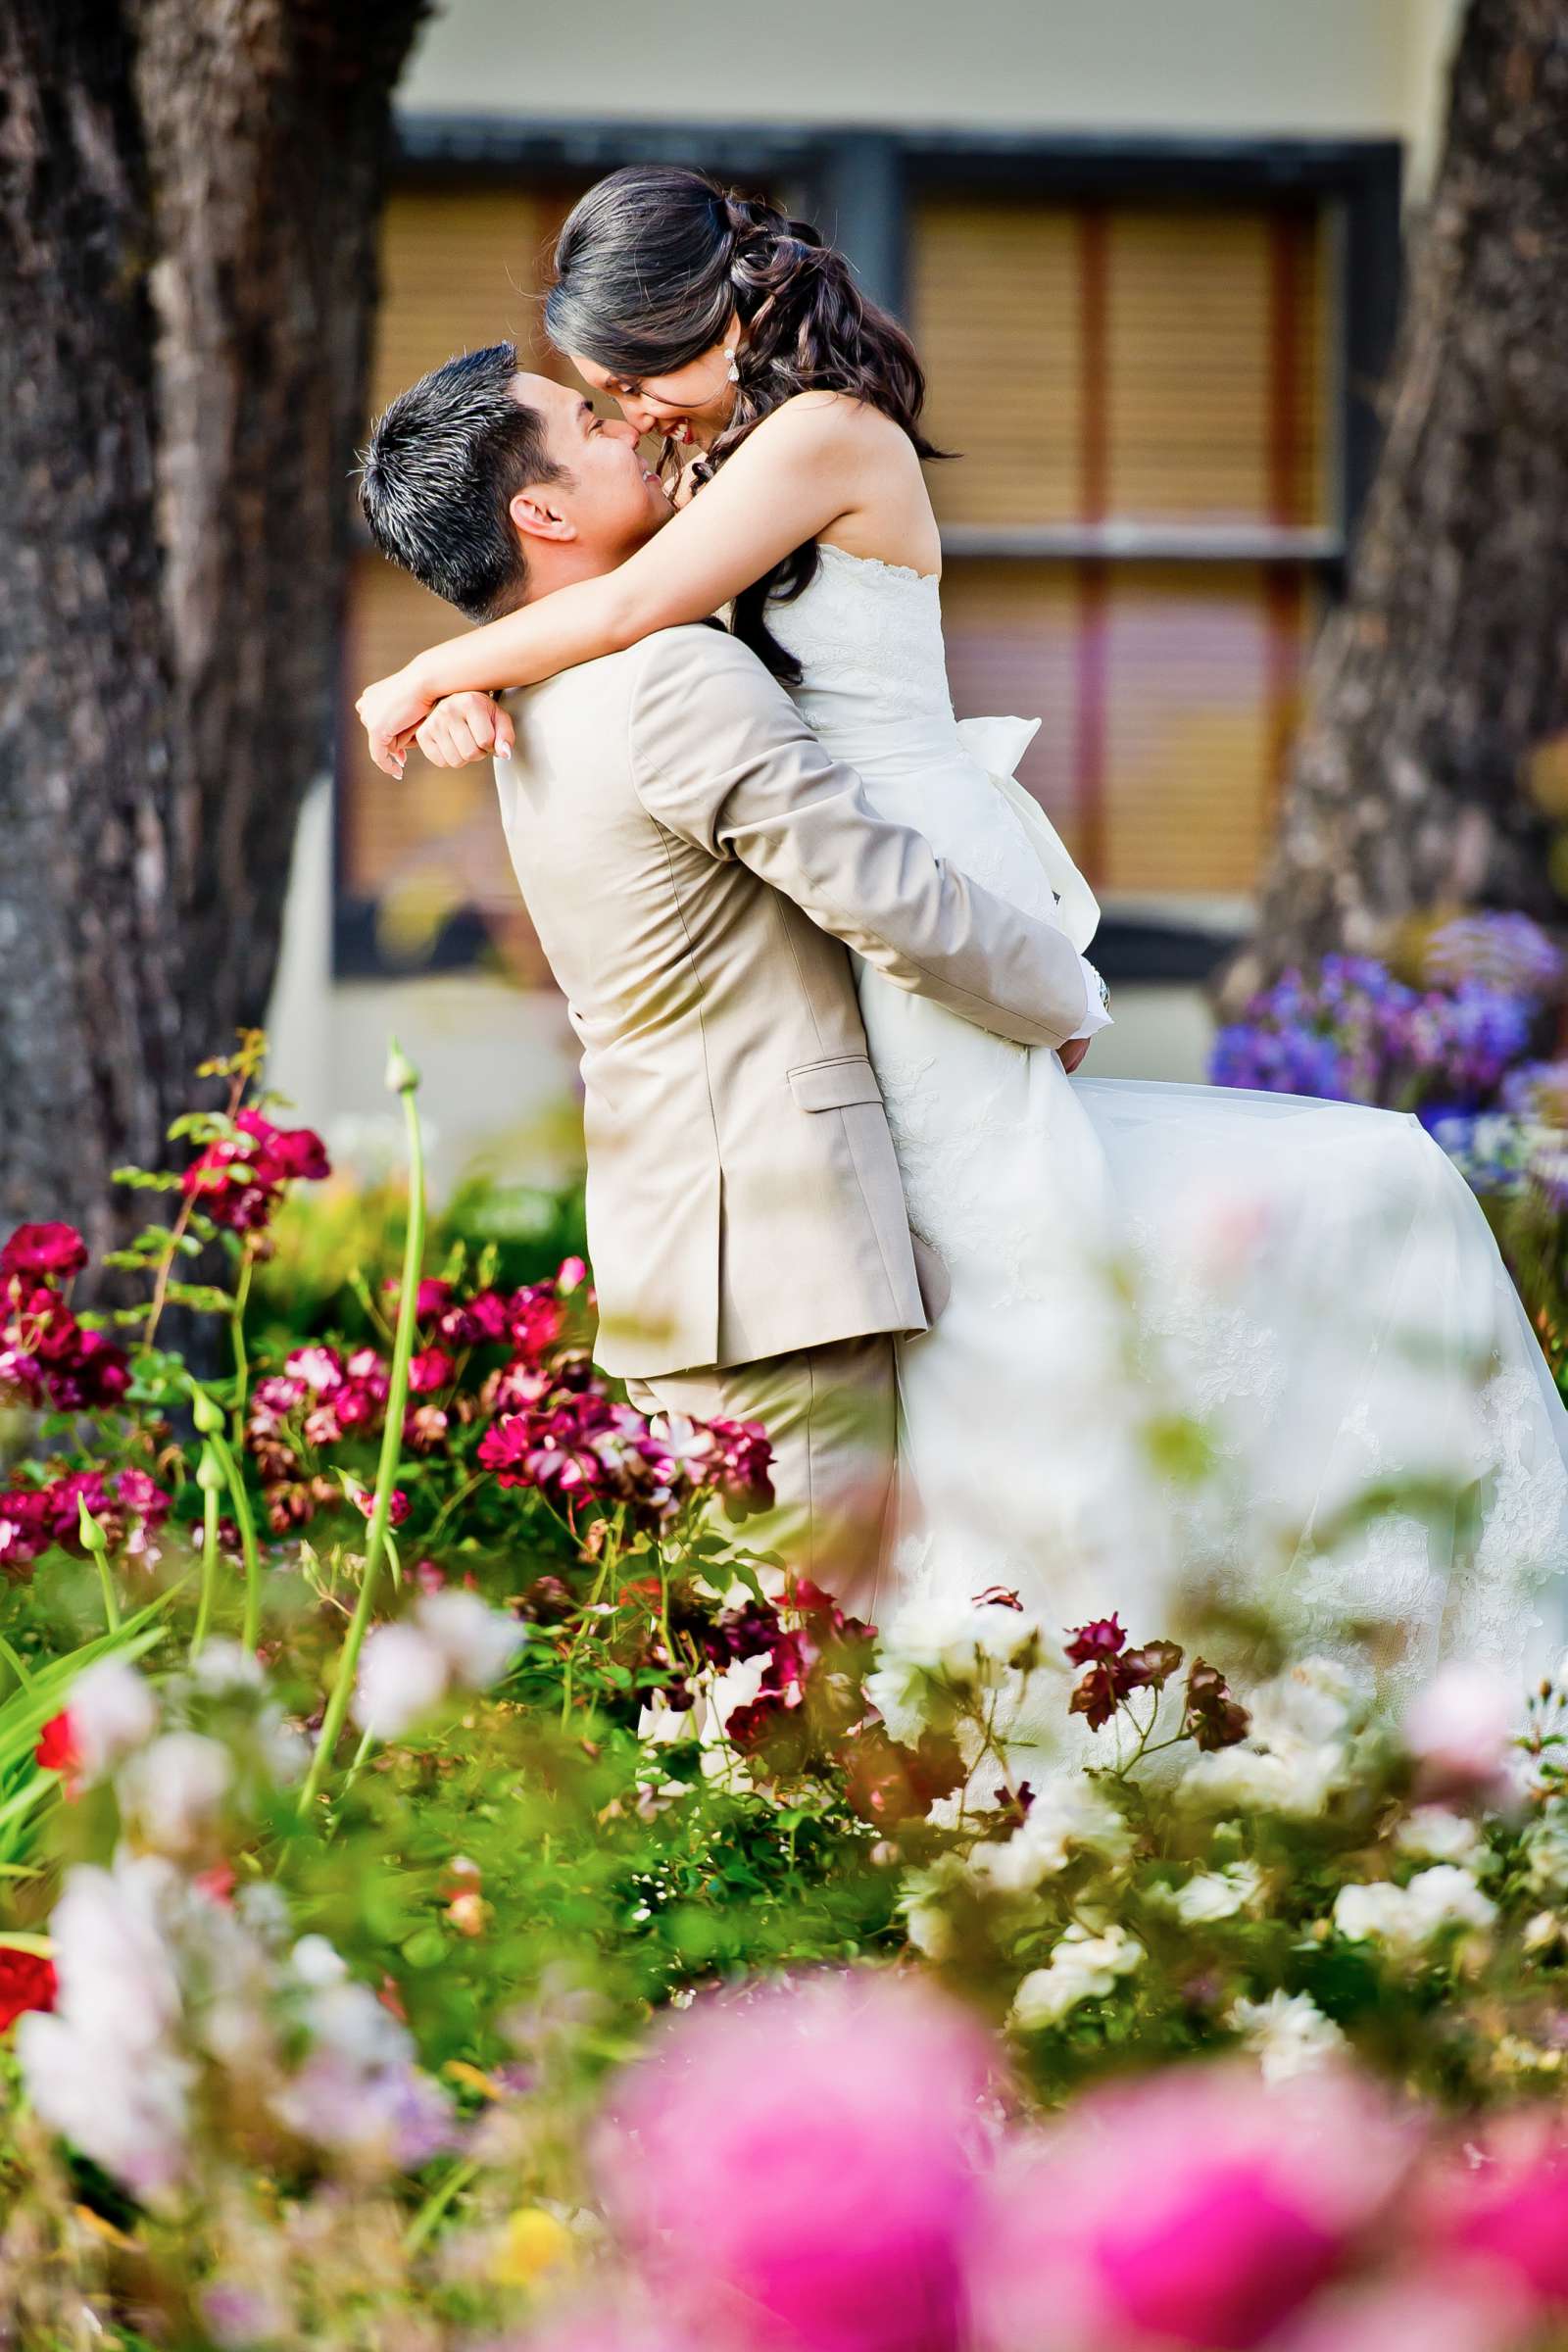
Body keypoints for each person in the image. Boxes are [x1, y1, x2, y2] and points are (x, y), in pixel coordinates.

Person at [356, 170, 1568, 1687]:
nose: (641, 421)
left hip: (915, 892)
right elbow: (619, 624)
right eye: (603, 410)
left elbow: (623, 612)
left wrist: (430, 676)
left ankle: (1084, 1631)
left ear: (705, 322)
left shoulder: (811, 438)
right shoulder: (691, 547)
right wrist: (477, 675)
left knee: (1014, 1268)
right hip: (868, 952)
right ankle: (1060, 1641)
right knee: (1000, 1278)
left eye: (631, 389)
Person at [357, 345, 1103, 1616]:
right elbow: (883, 894)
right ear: (541, 512)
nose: (632, 430)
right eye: (591, 421)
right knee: (808, 1690)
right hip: (773, 1266)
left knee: (744, 1677)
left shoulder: (532, 690)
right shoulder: (667, 680)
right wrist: (1064, 993)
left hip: (690, 1259)